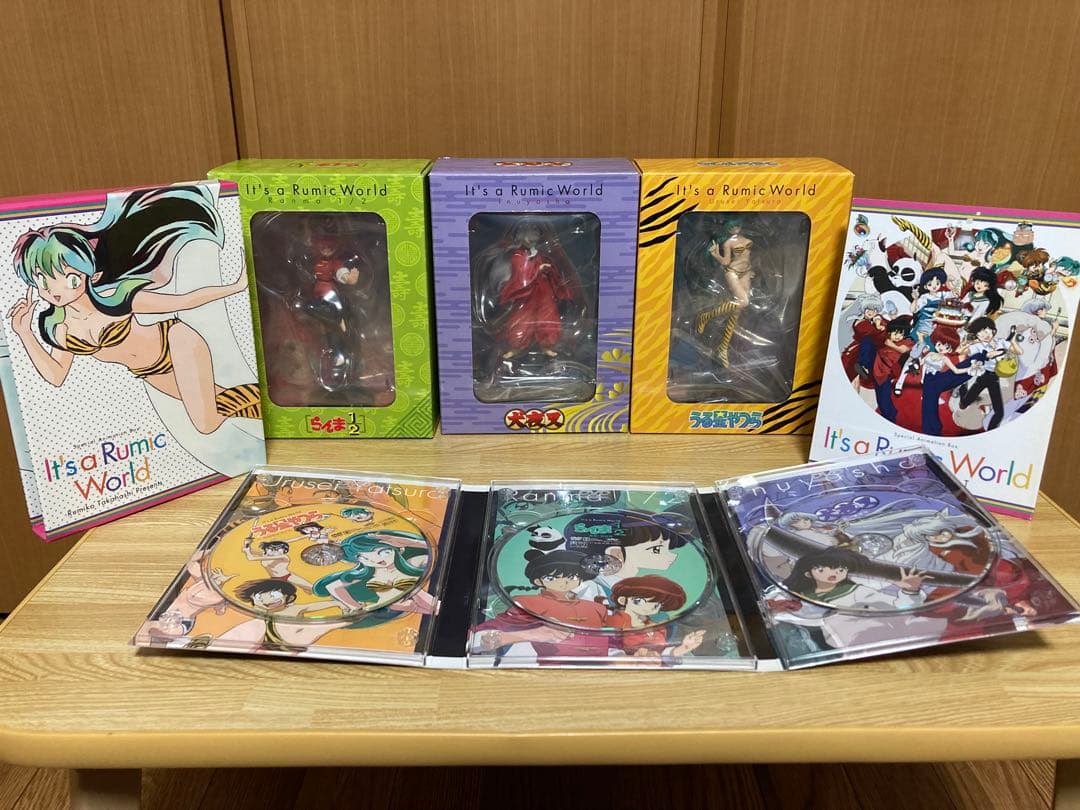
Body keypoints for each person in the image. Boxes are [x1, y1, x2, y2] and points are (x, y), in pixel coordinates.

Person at [7, 185, 261, 474]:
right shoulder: (60, 327)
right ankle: (265, 407)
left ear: (91, 274)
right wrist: (25, 333)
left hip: (176, 343)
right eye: (42, 280)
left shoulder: (117, 299)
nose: (55, 290)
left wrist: (235, 287)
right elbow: (55, 377)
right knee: (223, 402)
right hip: (151, 372)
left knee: (206, 422)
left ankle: (264, 408)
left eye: (69, 278)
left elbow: (184, 301)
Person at [312, 530, 433, 614]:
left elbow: (434, 549)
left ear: (398, 549)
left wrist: (409, 542)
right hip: (390, 612)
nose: (376, 559)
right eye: (364, 557)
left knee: (417, 593)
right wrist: (356, 608)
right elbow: (332, 586)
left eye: (383, 552)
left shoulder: (412, 562)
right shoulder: (367, 575)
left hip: (425, 606)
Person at [607, 575, 706, 659]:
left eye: (657, 604)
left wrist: (685, 647)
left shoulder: (658, 628)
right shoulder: (612, 623)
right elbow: (608, 651)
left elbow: (663, 655)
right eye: (639, 601)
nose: (649, 607)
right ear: (622, 600)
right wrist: (630, 659)